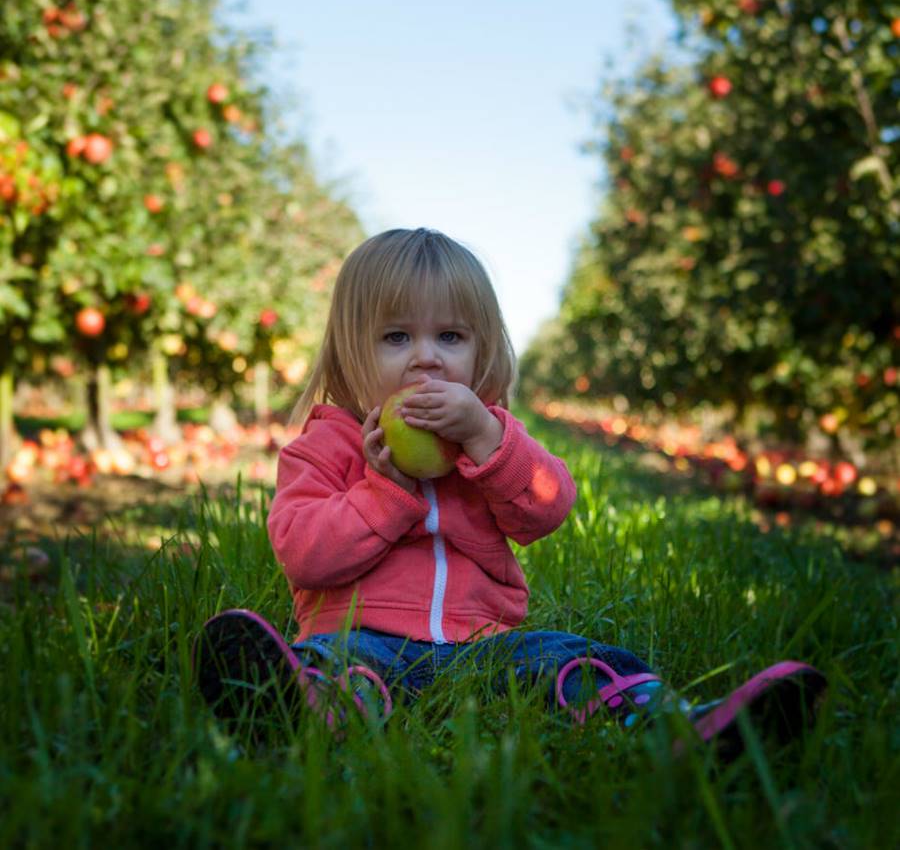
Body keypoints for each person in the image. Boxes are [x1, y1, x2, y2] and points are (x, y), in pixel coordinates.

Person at [193, 227, 826, 759]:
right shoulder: (323, 448)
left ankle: (681, 726)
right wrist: (386, 492)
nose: (426, 360)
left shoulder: (490, 437)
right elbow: (304, 555)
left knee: (577, 660)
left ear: (481, 348)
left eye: (450, 337)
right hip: (360, 635)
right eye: (395, 338)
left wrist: (487, 440)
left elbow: (548, 508)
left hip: (485, 644)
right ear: (348, 349)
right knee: (334, 665)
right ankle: (301, 709)